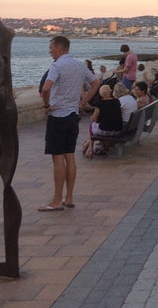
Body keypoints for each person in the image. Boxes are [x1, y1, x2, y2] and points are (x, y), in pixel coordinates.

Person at [39, 35, 100, 211]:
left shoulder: (57, 66)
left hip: (57, 116)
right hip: (73, 115)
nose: (50, 51)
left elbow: (46, 88)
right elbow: (96, 83)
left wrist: (46, 105)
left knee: (58, 159)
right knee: (70, 156)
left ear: (60, 48)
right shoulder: (80, 65)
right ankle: (69, 197)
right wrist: (83, 102)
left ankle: (57, 200)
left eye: (51, 48)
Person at [81, 84, 123, 159]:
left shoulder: (100, 104)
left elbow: (93, 118)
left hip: (105, 130)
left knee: (91, 125)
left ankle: (90, 149)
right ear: (110, 92)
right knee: (95, 126)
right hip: (117, 130)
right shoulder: (117, 101)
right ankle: (88, 144)